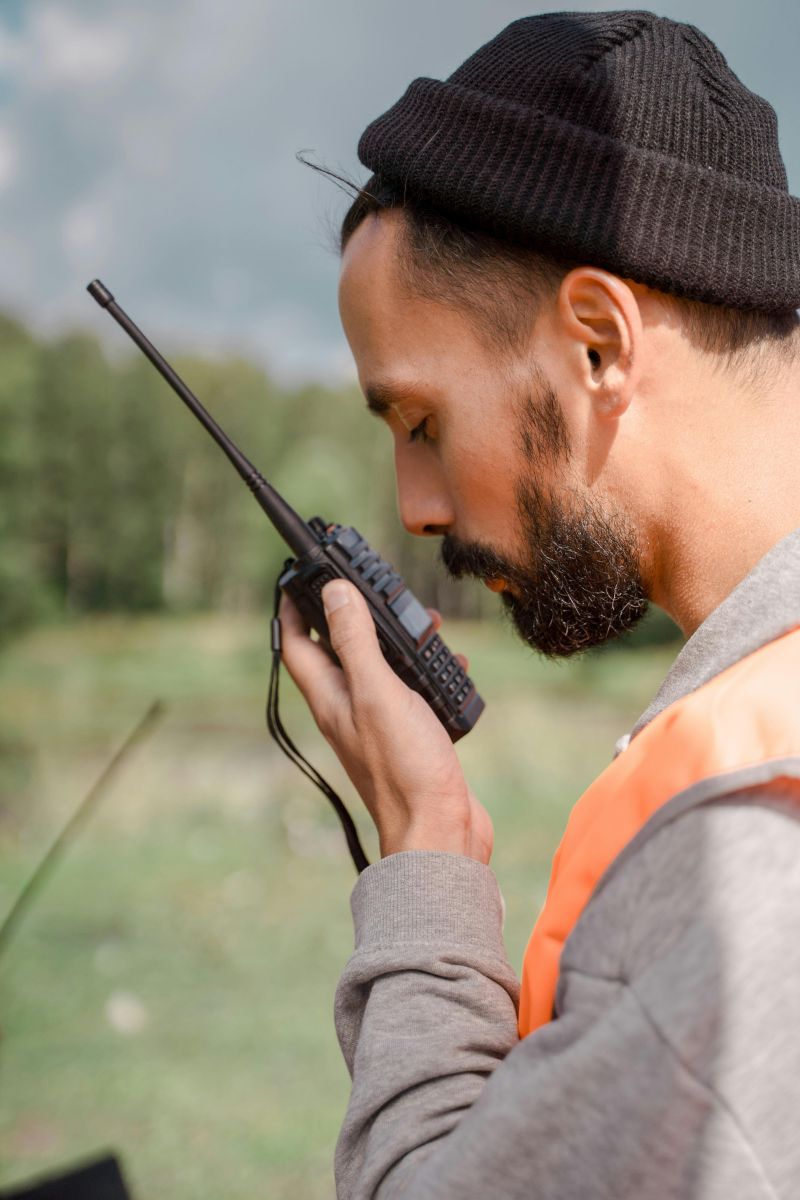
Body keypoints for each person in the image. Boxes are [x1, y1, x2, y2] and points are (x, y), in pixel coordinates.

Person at [282, 11, 800, 1198]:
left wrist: (426, 858)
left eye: (419, 422)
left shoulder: (752, 853)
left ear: (600, 343)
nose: (412, 508)